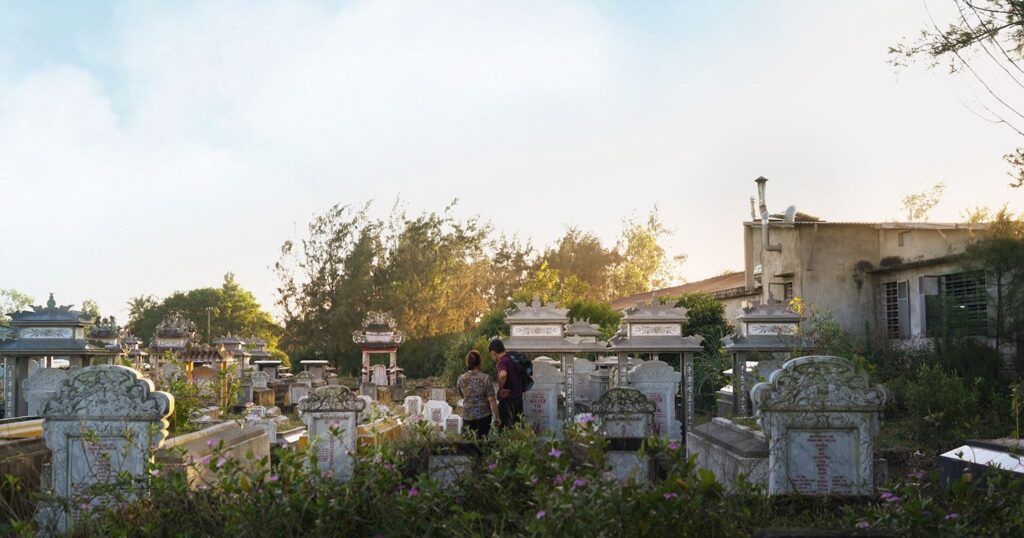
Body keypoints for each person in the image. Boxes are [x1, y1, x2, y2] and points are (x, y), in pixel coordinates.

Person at [456, 350, 500, 437]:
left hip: (467, 416)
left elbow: (462, 395)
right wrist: (497, 417)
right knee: (482, 444)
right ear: (480, 362)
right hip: (484, 417)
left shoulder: (461, 379)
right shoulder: (486, 378)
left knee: (469, 445)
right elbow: (492, 399)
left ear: (467, 362)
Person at [489, 338, 523, 431]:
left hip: (508, 402)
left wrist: (500, 389)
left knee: (506, 430)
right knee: (517, 429)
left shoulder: (503, 361)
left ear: (493, 353)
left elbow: (503, 375)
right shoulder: (511, 359)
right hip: (518, 400)